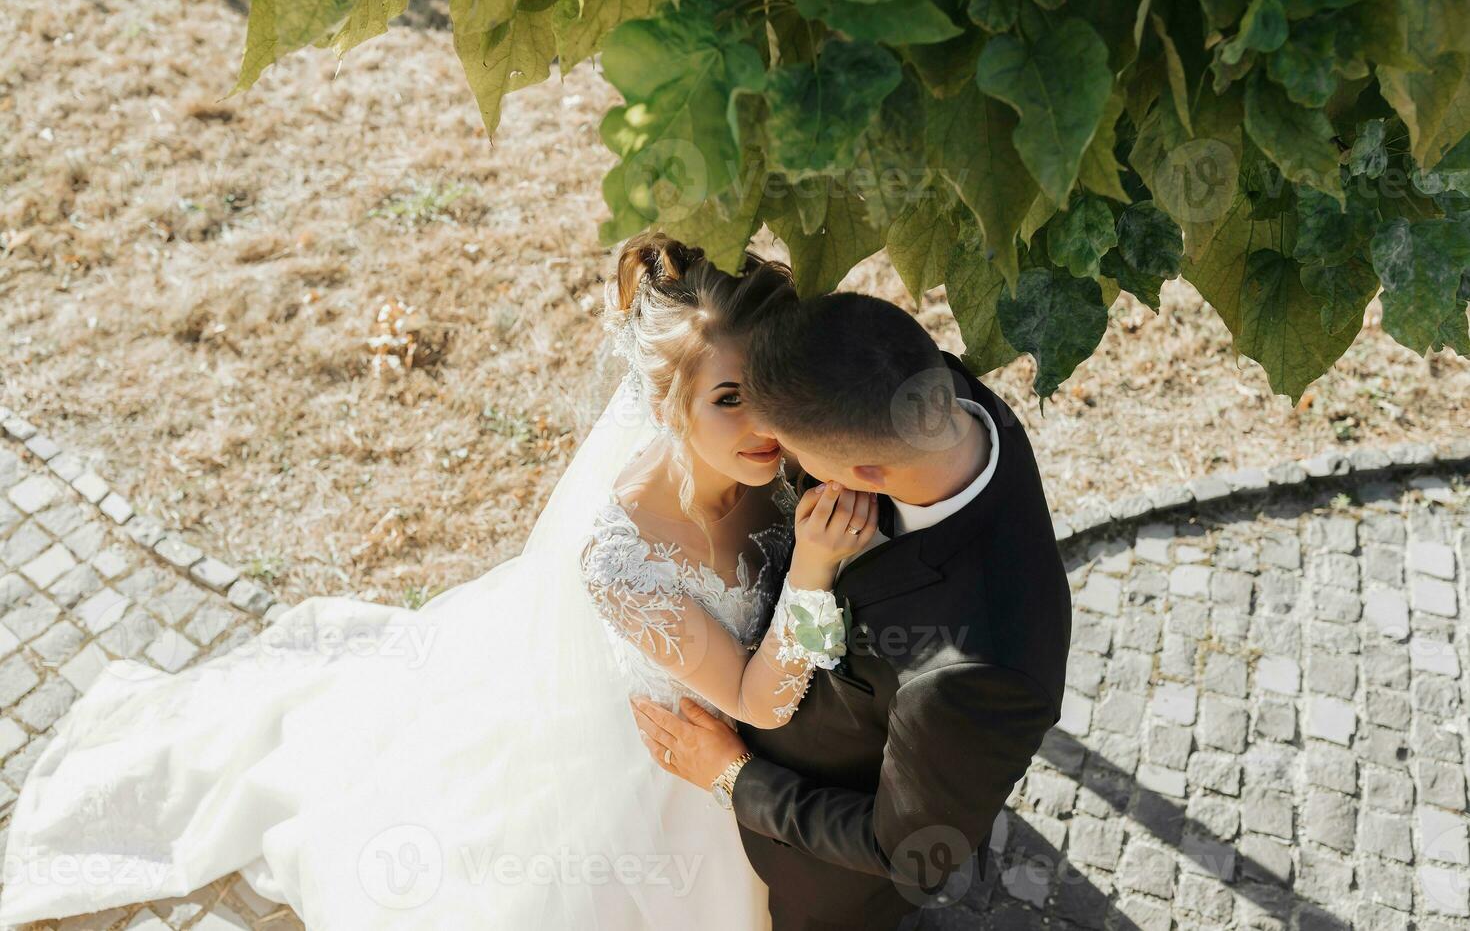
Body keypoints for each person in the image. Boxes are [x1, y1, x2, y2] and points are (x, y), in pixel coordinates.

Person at [0, 233, 872, 930]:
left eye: (772, 388)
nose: (763, 422)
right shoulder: (622, 557)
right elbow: (759, 703)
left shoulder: (780, 467)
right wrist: (814, 567)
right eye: (729, 399)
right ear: (667, 402)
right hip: (655, 768)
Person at [632, 292, 1074, 931]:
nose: (773, 451)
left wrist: (733, 777)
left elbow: (906, 852)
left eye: (792, 449)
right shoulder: (929, 392)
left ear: (864, 470)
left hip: (822, 881)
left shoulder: (977, 675)